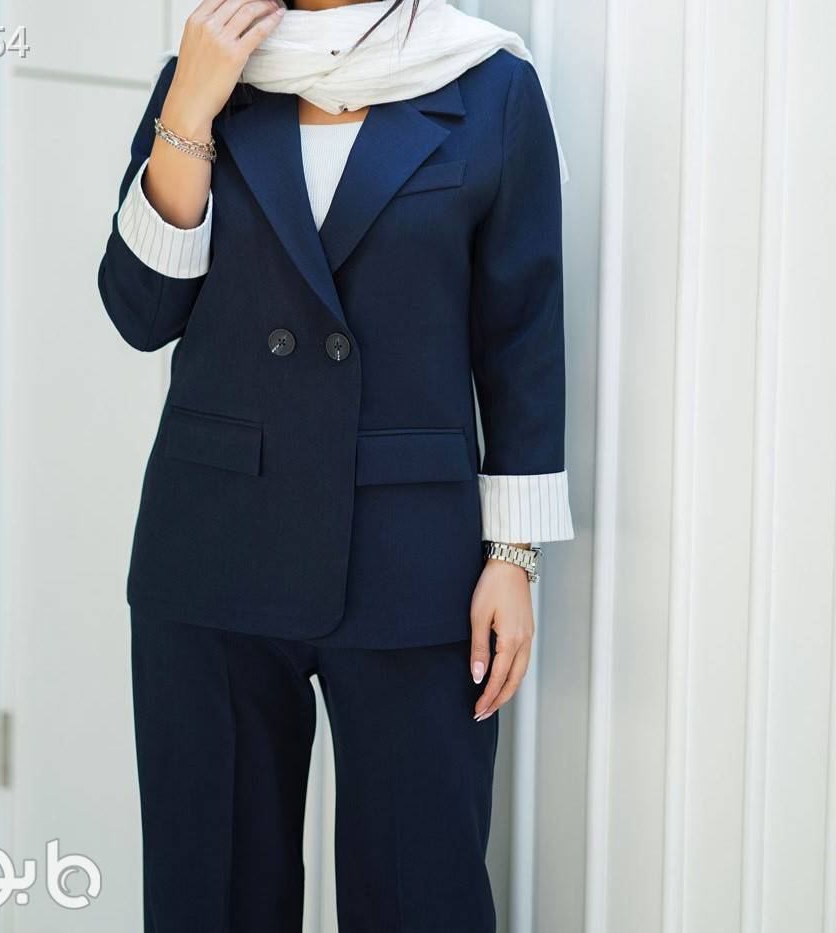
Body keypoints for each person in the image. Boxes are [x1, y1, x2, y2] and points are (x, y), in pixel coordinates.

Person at [98, 0, 574, 928]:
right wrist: (189, 109)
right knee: (212, 898)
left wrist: (513, 555)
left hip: (413, 562)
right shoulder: (210, 70)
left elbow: (521, 333)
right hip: (214, 553)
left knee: (420, 898)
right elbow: (141, 311)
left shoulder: (487, 85)